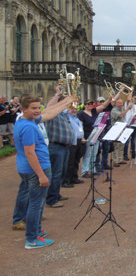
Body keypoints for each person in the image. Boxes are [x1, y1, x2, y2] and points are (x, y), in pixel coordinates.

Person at [13, 94, 73, 249]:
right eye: (33, 108)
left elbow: (49, 112)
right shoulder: (27, 126)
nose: (37, 111)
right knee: (36, 204)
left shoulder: (26, 121)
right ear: (24, 109)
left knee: (36, 203)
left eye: (38, 107)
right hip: (36, 170)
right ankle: (32, 239)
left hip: (29, 168)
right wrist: (41, 174)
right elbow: (30, 153)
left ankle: (36, 231)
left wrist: (66, 102)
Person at [44, 91, 75, 208]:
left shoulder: (64, 115)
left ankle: (56, 194)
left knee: (60, 173)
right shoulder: (53, 113)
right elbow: (48, 107)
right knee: (55, 173)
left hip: (64, 147)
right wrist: (57, 95)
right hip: (55, 146)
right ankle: (51, 199)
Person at [77, 95, 113, 177]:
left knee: (94, 153)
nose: (90, 105)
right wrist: (82, 137)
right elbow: (80, 126)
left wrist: (109, 99)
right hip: (87, 135)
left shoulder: (93, 111)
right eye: (88, 103)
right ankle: (85, 171)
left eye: (91, 103)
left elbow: (103, 106)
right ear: (84, 105)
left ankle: (92, 169)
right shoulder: (81, 114)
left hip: (95, 134)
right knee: (87, 154)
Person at [64, 106, 85, 186]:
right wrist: (68, 106)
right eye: (72, 109)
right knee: (70, 162)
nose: (74, 110)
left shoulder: (77, 119)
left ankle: (74, 177)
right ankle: (66, 180)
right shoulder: (67, 117)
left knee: (77, 160)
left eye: (75, 109)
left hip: (79, 141)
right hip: (72, 142)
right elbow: (65, 111)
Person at [110, 99, 133, 166]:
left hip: (122, 128)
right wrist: (127, 109)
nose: (121, 104)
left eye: (122, 103)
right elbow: (121, 115)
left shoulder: (121, 109)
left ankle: (120, 159)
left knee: (121, 145)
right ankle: (115, 161)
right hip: (116, 129)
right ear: (116, 104)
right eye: (119, 103)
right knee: (116, 145)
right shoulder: (114, 110)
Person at [124, 95, 136, 160]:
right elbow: (127, 99)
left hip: (135, 125)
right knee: (127, 141)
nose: (135, 99)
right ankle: (125, 154)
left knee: (133, 141)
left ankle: (133, 153)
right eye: (134, 98)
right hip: (128, 124)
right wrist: (131, 92)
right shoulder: (127, 104)